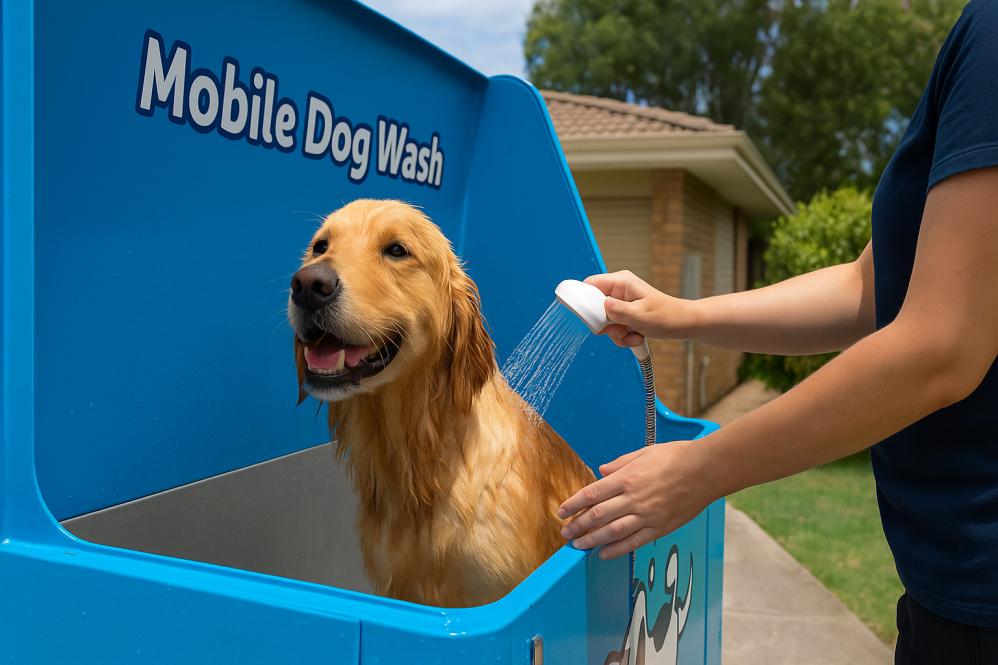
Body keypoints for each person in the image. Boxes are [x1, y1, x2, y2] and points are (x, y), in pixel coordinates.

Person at [557, 1, 998, 661]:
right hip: (954, 590)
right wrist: (679, 314)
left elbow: (941, 348)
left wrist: (700, 470)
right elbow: (866, 288)